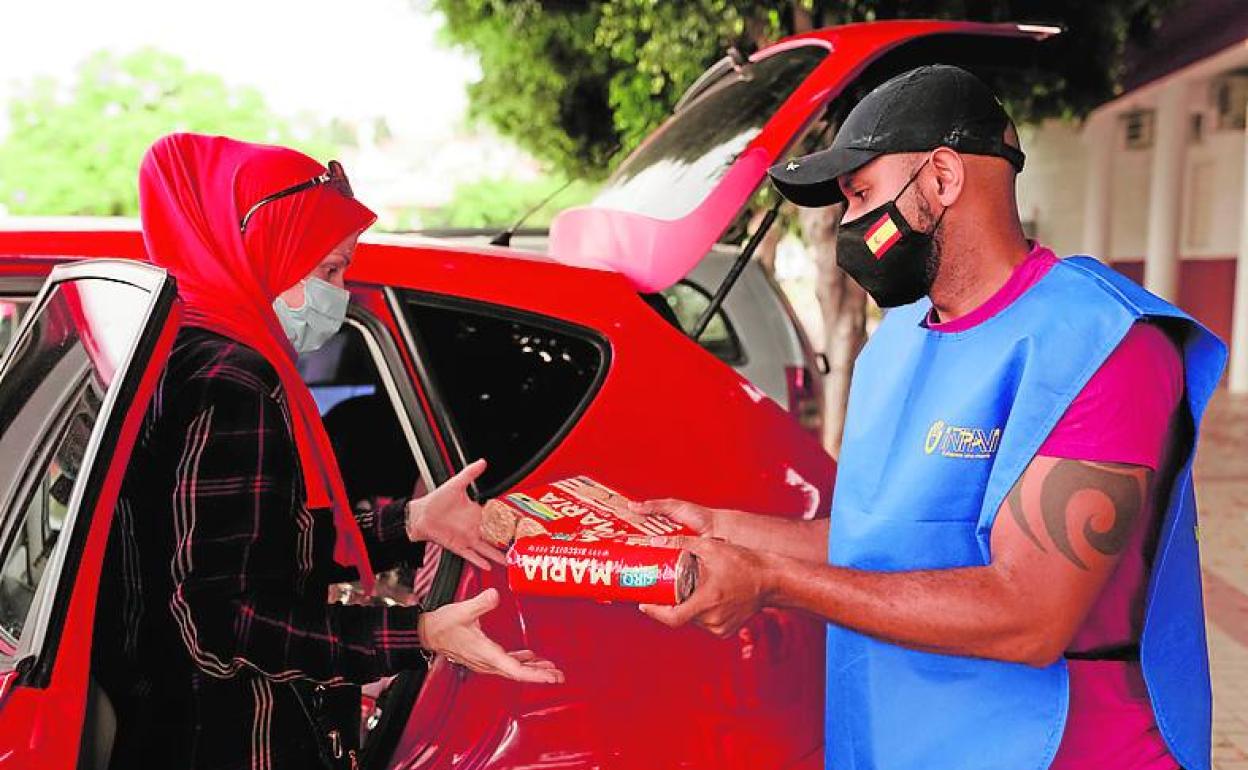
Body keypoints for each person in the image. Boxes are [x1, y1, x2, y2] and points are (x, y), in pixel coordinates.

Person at [634, 66, 1226, 770]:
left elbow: (1029, 613)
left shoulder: (1101, 343)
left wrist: (770, 580)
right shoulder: (899, 342)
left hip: (1067, 750)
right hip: (902, 738)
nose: (849, 228)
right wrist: (711, 526)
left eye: (861, 194)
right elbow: (879, 540)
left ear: (943, 178)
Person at [92, 133, 562, 770]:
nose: (338, 295)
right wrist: (418, 633)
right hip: (229, 740)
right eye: (330, 270)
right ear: (266, 251)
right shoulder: (233, 383)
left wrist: (412, 522)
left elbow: (256, 547)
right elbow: (218, 622)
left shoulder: (188, 351)